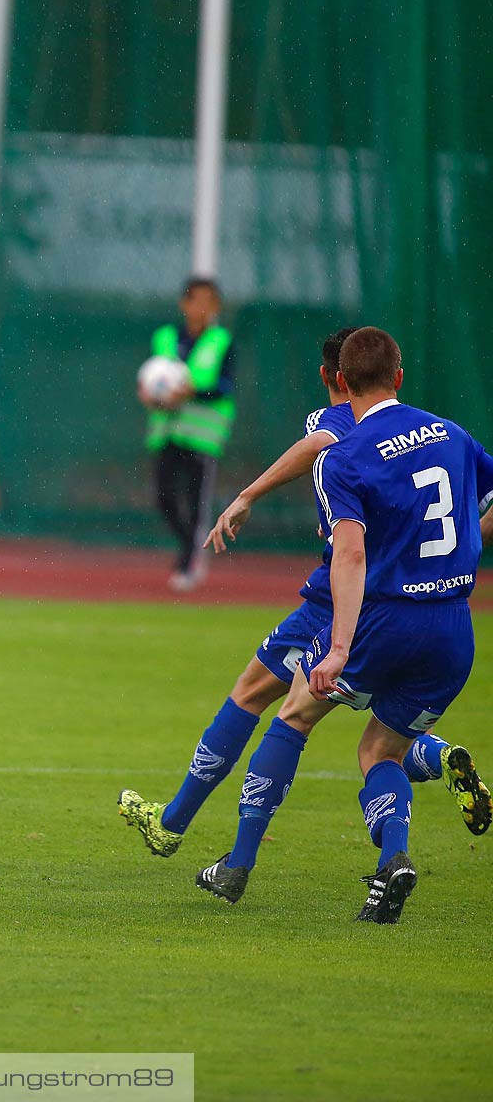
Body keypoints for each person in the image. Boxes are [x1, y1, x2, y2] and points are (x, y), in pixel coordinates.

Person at [119, 328, 488, 858]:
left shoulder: (338, 422)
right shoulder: (430, 429)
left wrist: (248, 494)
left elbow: (319, 443)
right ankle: (436, 757)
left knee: (260, 698)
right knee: (381, 726)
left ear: (332, 377)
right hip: (423, 609)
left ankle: (182, 827)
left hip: (341, 602)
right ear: (394, 376)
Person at [141, 278, 236, 591]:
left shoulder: (222, 341)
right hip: (167, 431)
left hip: (202, 436)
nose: (202, 308)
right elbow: (152, 378)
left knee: (197, 502)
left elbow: (226, 386)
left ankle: (188, 563)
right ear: (184, 304)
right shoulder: (166, 337)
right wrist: (148, 393)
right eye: (196, 301)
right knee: (164, 497)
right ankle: (187, 548)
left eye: (209, 302)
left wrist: (195, 391)